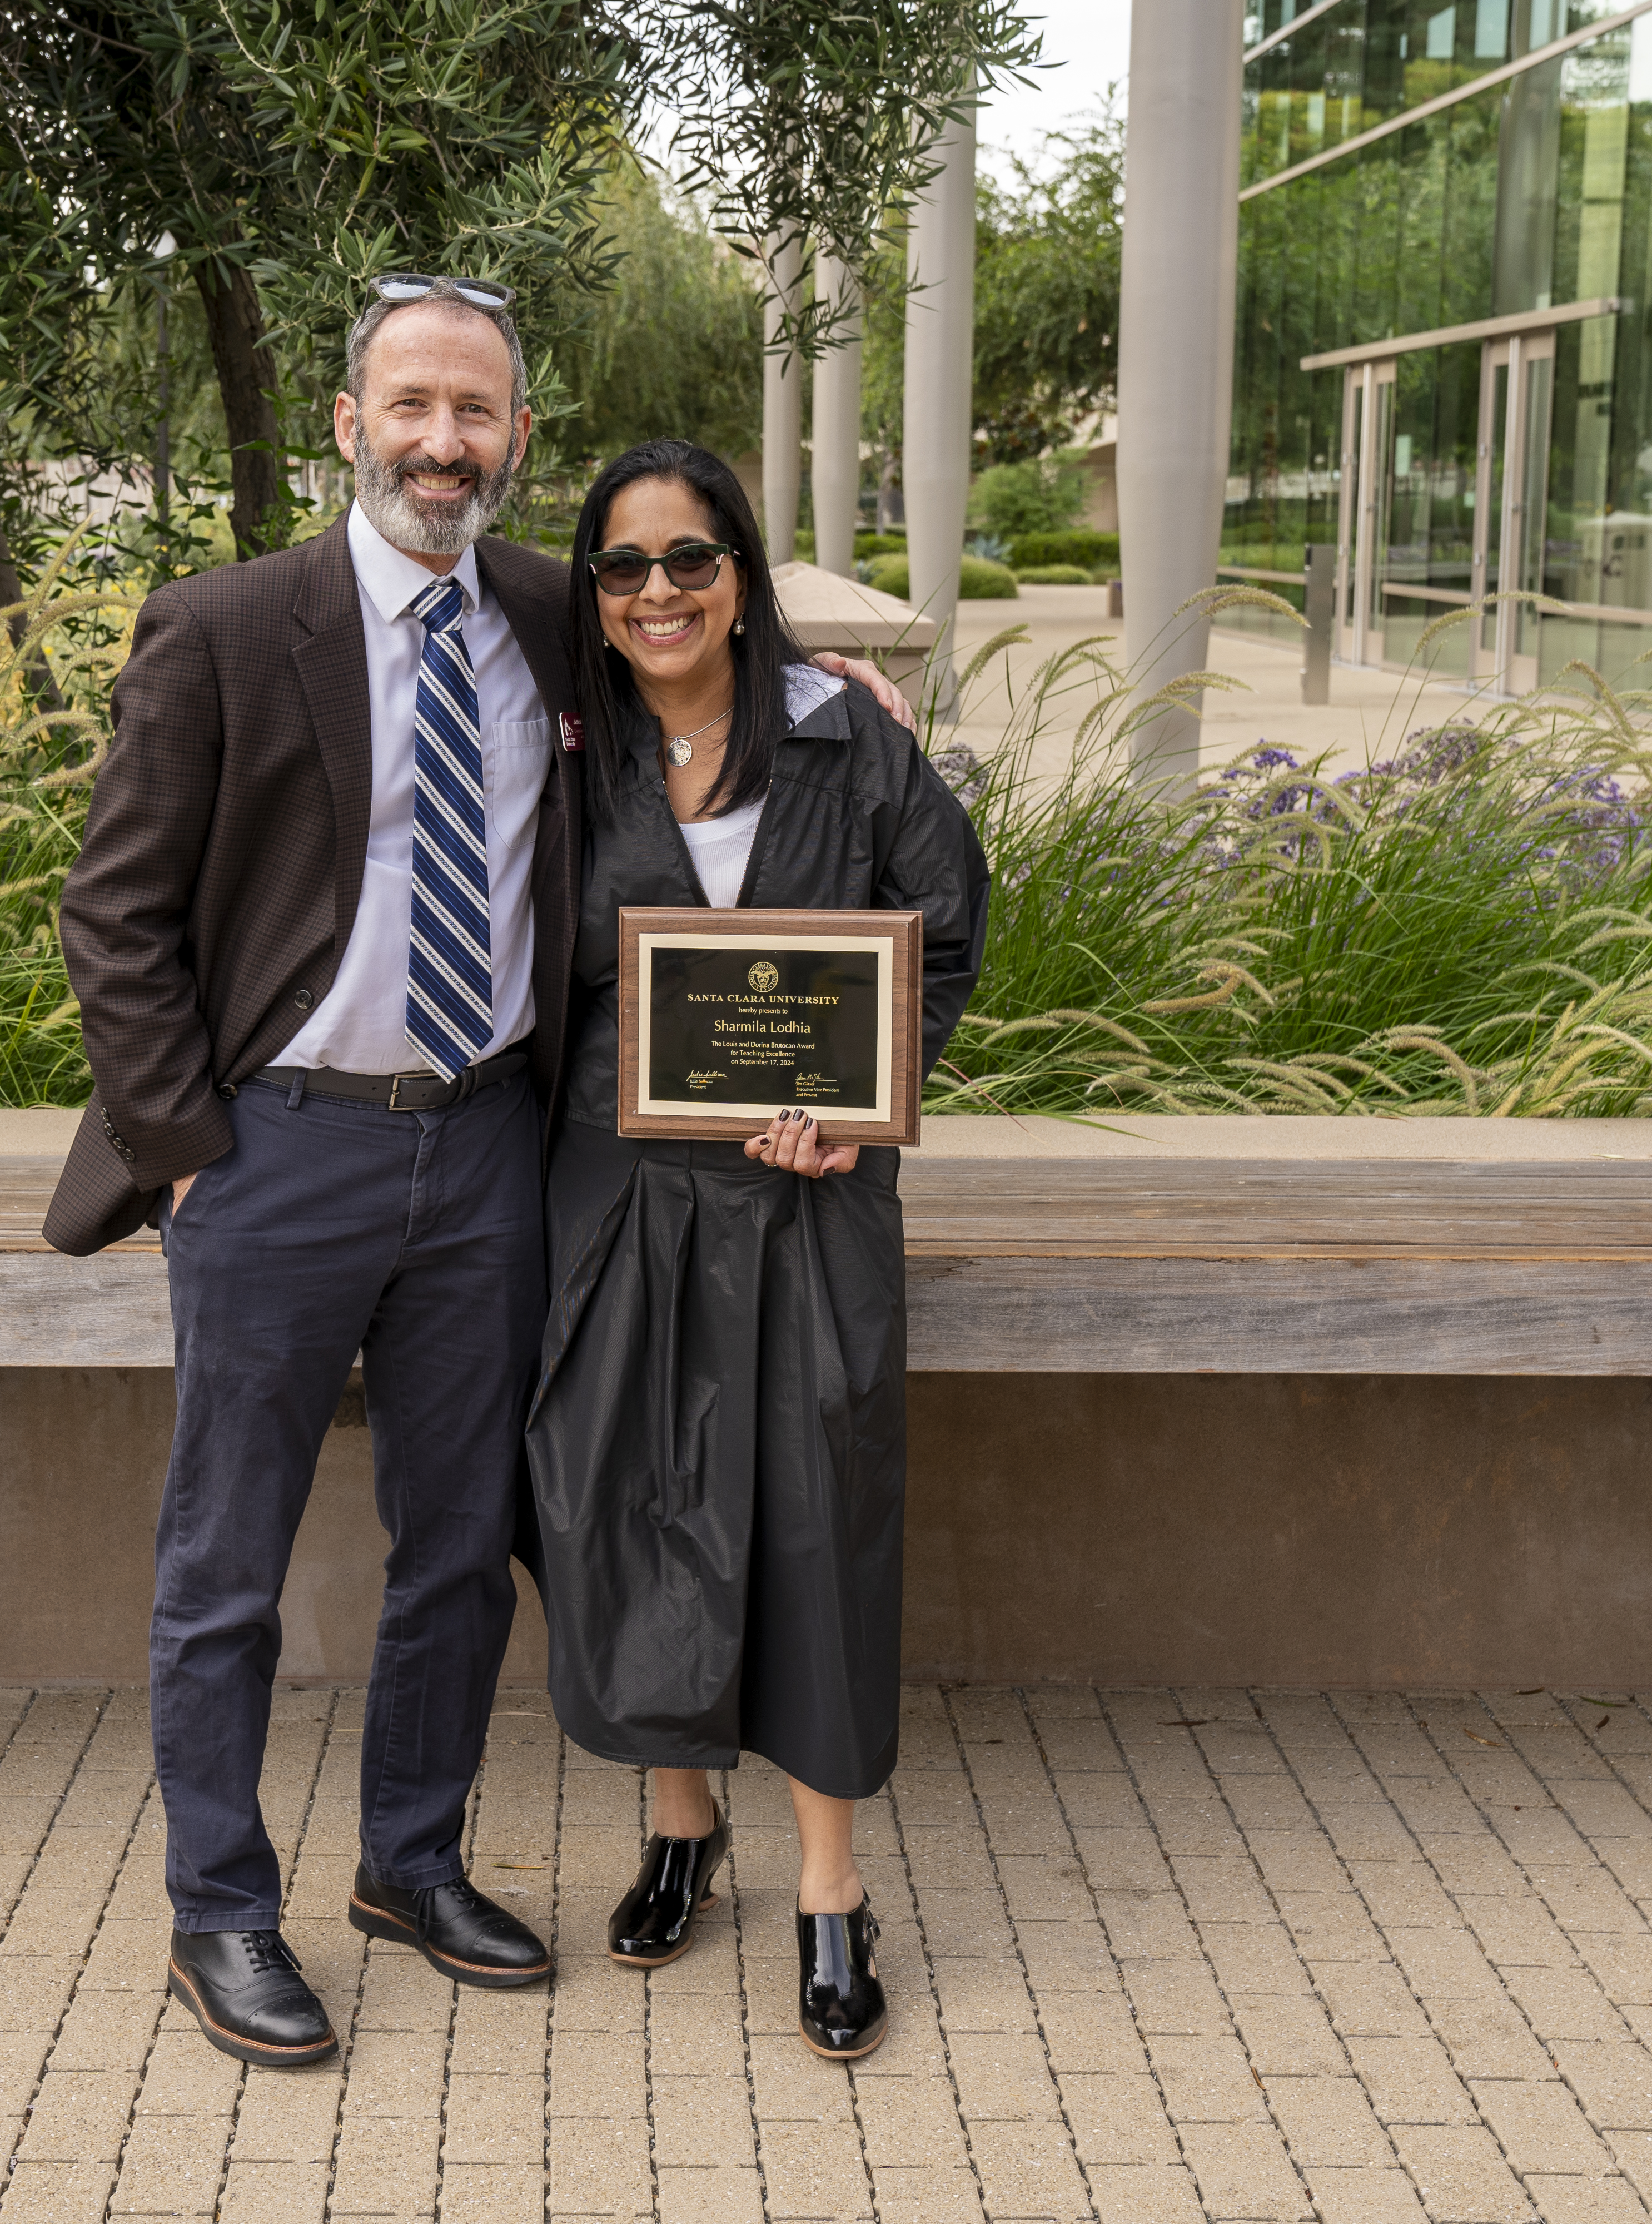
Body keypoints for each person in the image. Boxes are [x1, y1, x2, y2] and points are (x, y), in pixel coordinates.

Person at [47, 282, 909, 2070]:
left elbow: (706, 633)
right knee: (229, 1559)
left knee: (457, 1546)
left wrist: (833, 681)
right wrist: (188, 1150)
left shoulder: (544, 607)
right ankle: (220, 1913)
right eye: (415, 404)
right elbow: (112, 913)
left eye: (480, 413)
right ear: (350, 419)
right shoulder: (224, 626)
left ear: (516, 438)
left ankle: (411, 1864)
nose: (446, 441)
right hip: (279, 1147)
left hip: (490, 1146)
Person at [523, 437, 986, 2063]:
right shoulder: (563, 750)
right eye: (627, 565)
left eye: (692, 559)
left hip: (810, 1199)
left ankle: (834, 1892)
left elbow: (942, 927)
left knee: (814, 1513)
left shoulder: (842, 733)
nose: (660, 591)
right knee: (628, 1498)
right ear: (594, 591)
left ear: (742, 576)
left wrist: (866, 1104)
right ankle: (678, 1821)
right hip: (624, 1188)